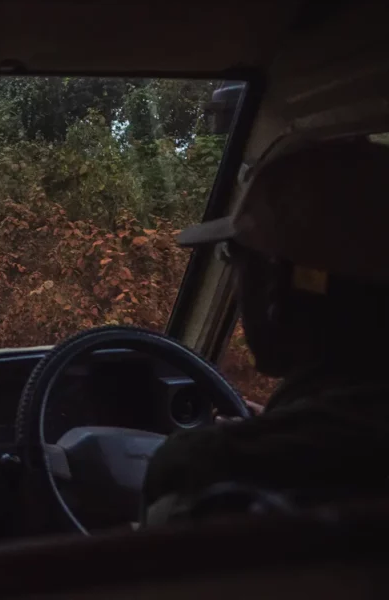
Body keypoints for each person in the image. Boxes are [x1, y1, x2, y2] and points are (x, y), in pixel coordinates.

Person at [142, 138, 389, 524]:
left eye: (233, 260)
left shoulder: (206, 469)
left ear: (275, 284)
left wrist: (247, 442)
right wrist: (282, 424)